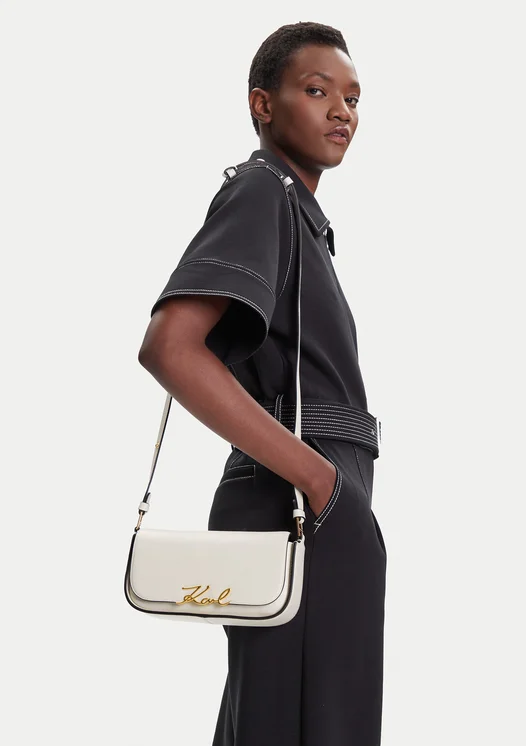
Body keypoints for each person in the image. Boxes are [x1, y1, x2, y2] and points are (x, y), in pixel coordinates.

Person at [138, 20, 387, 746]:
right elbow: (170, 348)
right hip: (303, 500)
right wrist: (319, 481)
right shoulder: (262, 192)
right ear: (262, 104)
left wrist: (332, 492)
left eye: (353, 98)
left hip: (317, 500)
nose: (341, 111)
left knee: (284, 722)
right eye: (317, 90)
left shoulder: (298, 216)